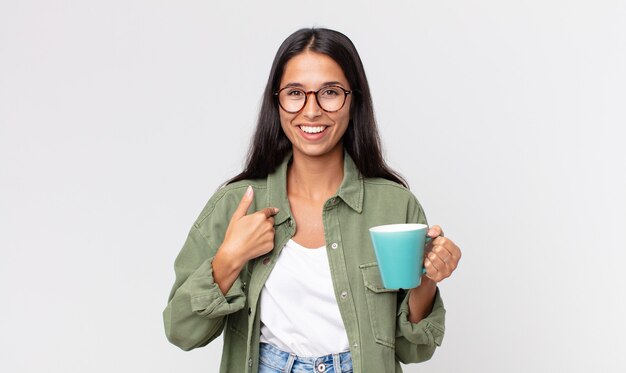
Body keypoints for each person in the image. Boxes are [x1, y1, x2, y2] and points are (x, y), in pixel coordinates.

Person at [163, 27, 462, 373]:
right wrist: (229, 258)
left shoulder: (395, 206)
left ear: (354, 100)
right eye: (295, 93)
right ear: (276, 102)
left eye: (330, 93)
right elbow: (181, 331)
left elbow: (412, 351)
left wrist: (427, 280)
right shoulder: (237, 204)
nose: (311, 110)